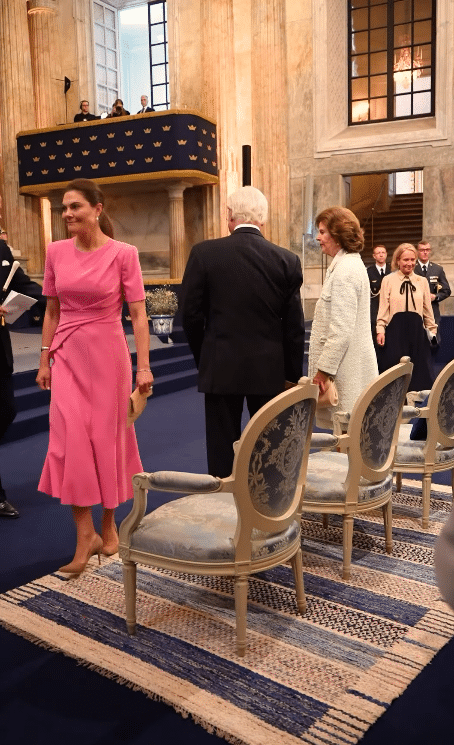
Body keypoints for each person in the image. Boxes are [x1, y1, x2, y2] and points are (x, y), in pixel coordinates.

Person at [36, 178, 153, 575]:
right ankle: (84, 534)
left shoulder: (124, 254)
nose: (67, 213)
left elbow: (138, 314)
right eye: (64, 207)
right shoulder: (55, 251)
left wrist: (143, 366)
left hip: (108, 358)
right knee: (70, 440)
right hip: (67, 355)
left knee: (107, 440)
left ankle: (108, 524)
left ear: (97, 209)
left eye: (75, 206)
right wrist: (44, 359)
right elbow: (52, 311)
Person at [180, 185, 304, 478]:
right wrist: (291, 376)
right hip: (269, 370)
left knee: (222, 449)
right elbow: (294, 327)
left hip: (221, 366)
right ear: (263, 218)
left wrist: (205, 358)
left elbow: (190, 316)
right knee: (270, 445)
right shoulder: (286, 260)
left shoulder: (204, 253)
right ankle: (266, 500)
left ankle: (224, 498)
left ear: (229, 215)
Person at [308, 206, 378, 430]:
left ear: (337, 235)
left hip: (346, 372)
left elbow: (341, 331)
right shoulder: (348, 265)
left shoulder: (345, 271)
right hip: (350, 367)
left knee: (344, 437)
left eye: (322, 232)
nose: (318, 237)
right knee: (347, 436)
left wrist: (323, 371)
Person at [1, 237, 43, 517]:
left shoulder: (1, 249)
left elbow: (24, 286)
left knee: (7, 410)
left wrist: (60, 297)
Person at [376, 243, 437, 391]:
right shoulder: (388, 280)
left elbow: (428, 310)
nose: (409, 263)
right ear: (398, 260)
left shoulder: (422, 281)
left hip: (417, 334)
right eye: (405, 260)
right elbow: (383, 308)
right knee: (395, 374)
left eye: (412, 259)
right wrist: (380, 330)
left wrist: (432, 331)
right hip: (395, 334)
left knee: (419, 375)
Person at [414, 240, 451, 341]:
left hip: (432, 310)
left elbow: (446, 290)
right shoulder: (412, 268)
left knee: (433, 341)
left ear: (430, 251)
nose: (425, 252)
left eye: (427, 250)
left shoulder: (437, 269)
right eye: (422, 250)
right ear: (417, 252)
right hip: (416, 310)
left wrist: (436, 296)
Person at [367, 245, 391, 340]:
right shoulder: (368, 272)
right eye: (378, 253)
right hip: (375, 310)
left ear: (386, 254)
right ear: (374, 256)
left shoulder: (392, 270)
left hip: (390, 309)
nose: (381, 255)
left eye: (383, 252)